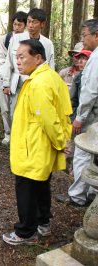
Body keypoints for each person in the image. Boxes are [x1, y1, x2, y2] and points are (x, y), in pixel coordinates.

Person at [2, 39, 72, 245]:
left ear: (38, 57)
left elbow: (48, 118)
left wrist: (61, 142)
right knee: (41, 185)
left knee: (26, 189)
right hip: (38, 146)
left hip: (33, 147)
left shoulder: (40, 83)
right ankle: (43, 223)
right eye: (16, 57)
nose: (18, 62)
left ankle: (26, 232)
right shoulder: (48, 76)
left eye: (22, 57)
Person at [2, 8, 55, 131]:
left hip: (38, 86)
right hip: (18, 83)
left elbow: (50, 66)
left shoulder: (47, 44)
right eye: (29, 22)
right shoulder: (16, 39)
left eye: (34, 22)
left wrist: (50, 88)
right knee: (15, 114)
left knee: (35, 114)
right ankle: (15, 143)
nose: (30, 25)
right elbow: (9, 61)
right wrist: (6, 83)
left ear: (42, 24)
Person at [68, 19, 98, 206]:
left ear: (96, 35)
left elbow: (90, 91)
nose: (83, 39)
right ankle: (91, 192)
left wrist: (79, 118)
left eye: (84, 35)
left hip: (91, 116)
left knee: (82, 153)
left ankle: (77, 196)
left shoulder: (95, 58)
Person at [0, 11, 27, 145]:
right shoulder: (6, 39)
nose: (16, 27)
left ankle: (18, 134)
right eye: (15, 24)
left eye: (19, 25)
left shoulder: (28, 40)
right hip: (4, 78)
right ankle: (7, 133)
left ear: (25, 25)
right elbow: (1, 59)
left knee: (18, 109)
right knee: (5, 108)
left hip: (22, 80)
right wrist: (5, 79)